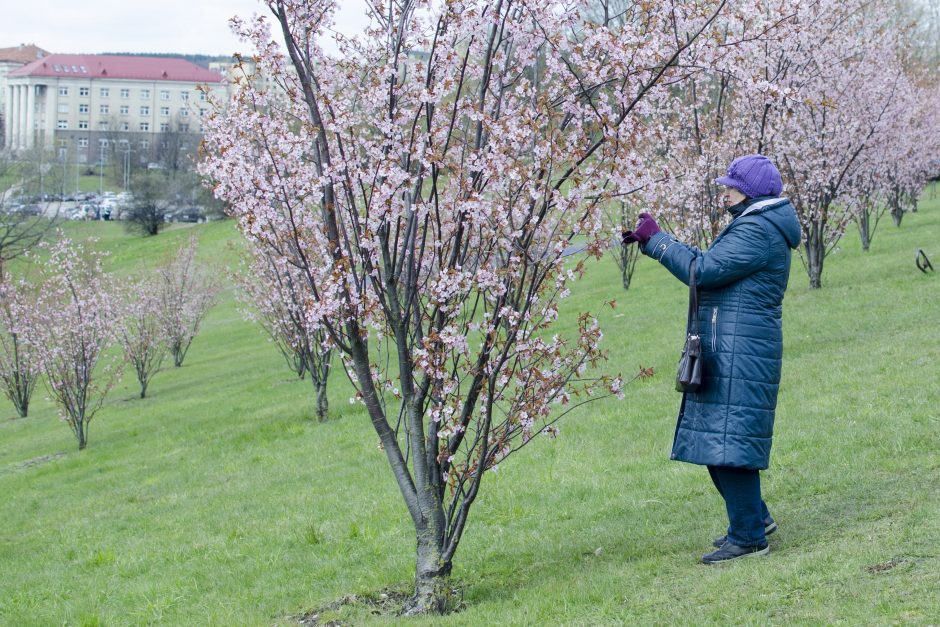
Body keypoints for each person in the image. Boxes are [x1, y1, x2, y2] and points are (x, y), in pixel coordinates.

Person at [623, 154, 802, 564]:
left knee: (728, 446)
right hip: (732, 345)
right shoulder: (756, 224)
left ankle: (750, 537)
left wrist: (658, 241)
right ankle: (754, 519)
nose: (723, 192)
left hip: (742, 351)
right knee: (717, 442)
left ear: (750, 192)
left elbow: (703, 269)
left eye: (730, 186)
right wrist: (656, 242)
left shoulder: (758, 229)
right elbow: (711, 265)